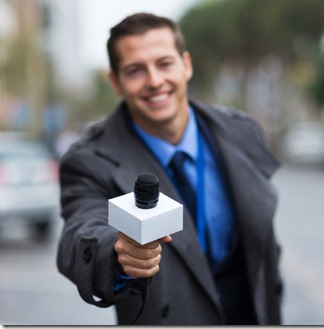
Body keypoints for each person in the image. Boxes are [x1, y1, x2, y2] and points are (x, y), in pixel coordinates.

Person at [56, 12, 283, 325]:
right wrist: (118, 254)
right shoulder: (89, 159)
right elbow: (79, 234)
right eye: (135, 70)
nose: (154, 81)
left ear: (185, 65)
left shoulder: (241, 131)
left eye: (164, 63)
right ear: (116, 81)